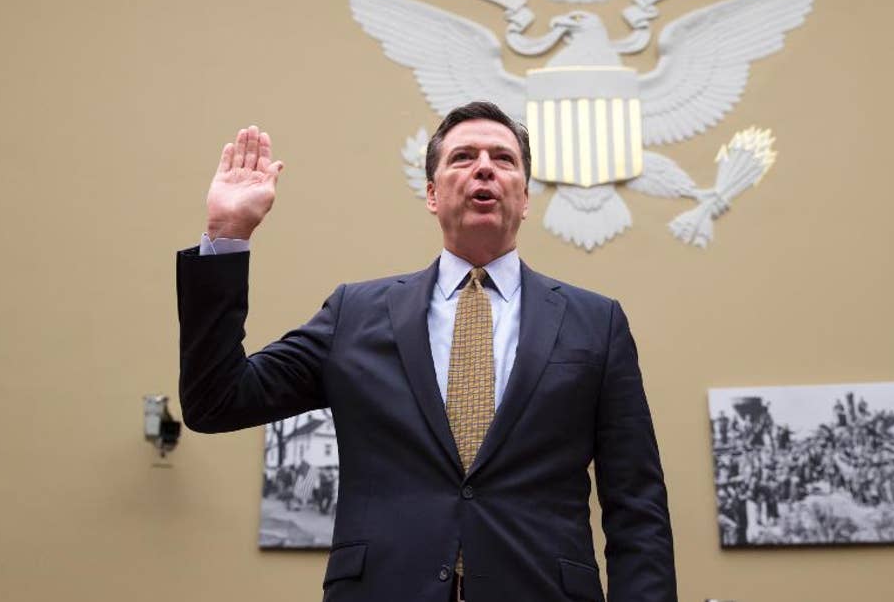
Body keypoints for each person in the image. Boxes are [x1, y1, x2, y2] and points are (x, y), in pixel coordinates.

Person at [176, 102, 677, 602]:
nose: (484, 167)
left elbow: (637, 505)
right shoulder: (356, 314)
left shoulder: (595, 322)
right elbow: (216, 400)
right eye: (463, 157)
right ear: (433, 196)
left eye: (503, 160)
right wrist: (227, 237)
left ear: (525, 198)